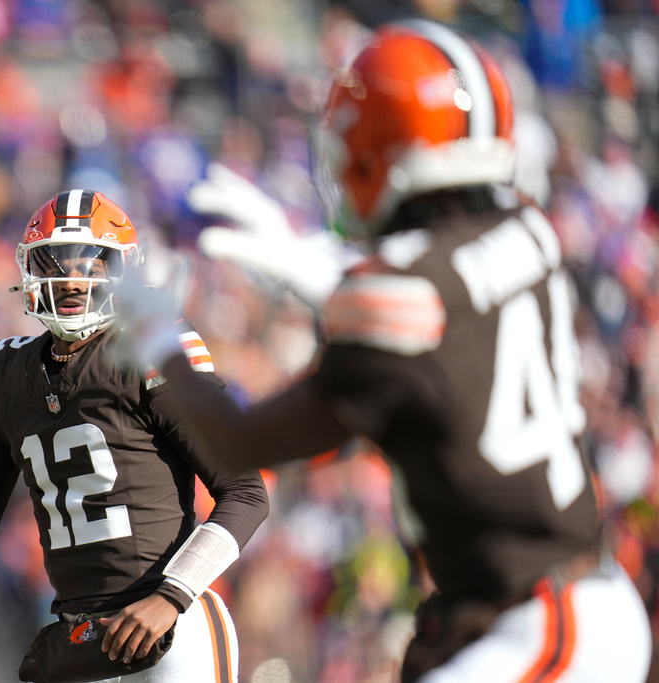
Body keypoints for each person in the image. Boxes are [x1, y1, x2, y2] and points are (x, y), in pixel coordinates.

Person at [114, 19, 653, 683]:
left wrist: (159, 337)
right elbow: (445, 305)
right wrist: (315, 265)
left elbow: (236, 441)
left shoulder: (395, 300)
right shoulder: (527, 230)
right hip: (559, 606)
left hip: (545, 624)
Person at [0, 189, 270, 682]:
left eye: (92, 264)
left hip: (169, 626)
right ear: (31, 270)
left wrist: (171, 596)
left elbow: (246, 493)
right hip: (81, 638)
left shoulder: (149, 351)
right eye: (58, 263)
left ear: (122, 272)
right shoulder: (6, 371)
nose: (74, 279)